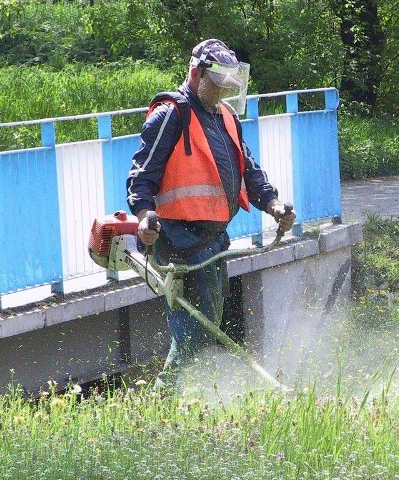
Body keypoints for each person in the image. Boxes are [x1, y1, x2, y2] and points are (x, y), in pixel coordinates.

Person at [126, 38, 296, 390]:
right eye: (216, 85)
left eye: (226, 87)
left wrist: (273, 205)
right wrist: (144, 216)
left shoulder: (227, 117)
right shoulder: (170, 115)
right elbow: (141, 177)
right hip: (177, 239)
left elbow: (249, 170)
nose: (221, 93)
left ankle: (178, 397)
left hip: (214, 239)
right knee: (196, 331)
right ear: (197, 73)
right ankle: (162, 399)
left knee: (207, 326)